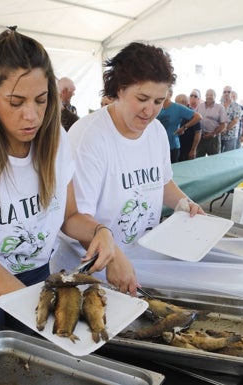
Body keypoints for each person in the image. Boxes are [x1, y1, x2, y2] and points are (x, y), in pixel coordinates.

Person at [0, 28, 134, 350]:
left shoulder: (55, 139)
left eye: (41, 100)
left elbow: (69, 215)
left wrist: (101, 232)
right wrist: (43, 308)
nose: (31, 116)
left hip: (37, 269)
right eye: (15, 102)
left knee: (36, 362)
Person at [52, 41, 204, 284]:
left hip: (141, 263)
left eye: (158, 101)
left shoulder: (155, 132)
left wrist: (185, 204)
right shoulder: (89, 136)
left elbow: (162, 182)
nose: (149, 110)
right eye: (142, 98)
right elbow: (75, 218)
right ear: (120, 89)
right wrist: (113, 257)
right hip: (90, 270)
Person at [157, 88, 201, 163]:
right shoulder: (156, 106)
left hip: (172, 146)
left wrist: (184, 127)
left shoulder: (177, 107)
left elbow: (198, 117)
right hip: (157, 146)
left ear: (170, 94)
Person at [195, 89, 226, 157]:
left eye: (211, 95)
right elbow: (195, 119)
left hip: (213, 139)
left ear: (215, 96)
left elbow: (223, 124)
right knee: (198, 160)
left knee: (214, 161)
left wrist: (213, 134)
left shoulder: (220, 108)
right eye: (207, 95)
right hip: (201, 138)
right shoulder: (199, 106)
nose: (209, 96)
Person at [177, 89, 202, 161]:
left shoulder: (193, 114)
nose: (175, 105)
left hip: (188, 148)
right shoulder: (178, 111)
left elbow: (198, 133)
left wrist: (193, 150)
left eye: (177, 103)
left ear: (184, 102)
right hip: (178, 146)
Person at [219, 86, 241, 152]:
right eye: (224, 92)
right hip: (220, 135)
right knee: (219, 156)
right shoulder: (220, 105)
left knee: (228, 156)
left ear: (232, 93)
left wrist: (225, 129)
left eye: (229, 92)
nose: (226, 93)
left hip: (230, 136)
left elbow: (235, 120)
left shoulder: (236, 105)